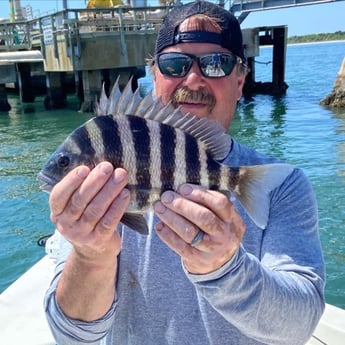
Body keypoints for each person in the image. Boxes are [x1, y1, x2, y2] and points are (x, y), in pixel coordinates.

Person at [44, 1, 325, 344]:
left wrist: (224, 267)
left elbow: (299, 327)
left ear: (240, 81)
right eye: (175, 64)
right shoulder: (94, 192)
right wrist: (91, 256)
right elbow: (72, 337)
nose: (193, 79)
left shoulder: (282, 186)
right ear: (154, 74)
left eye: (216, 63)